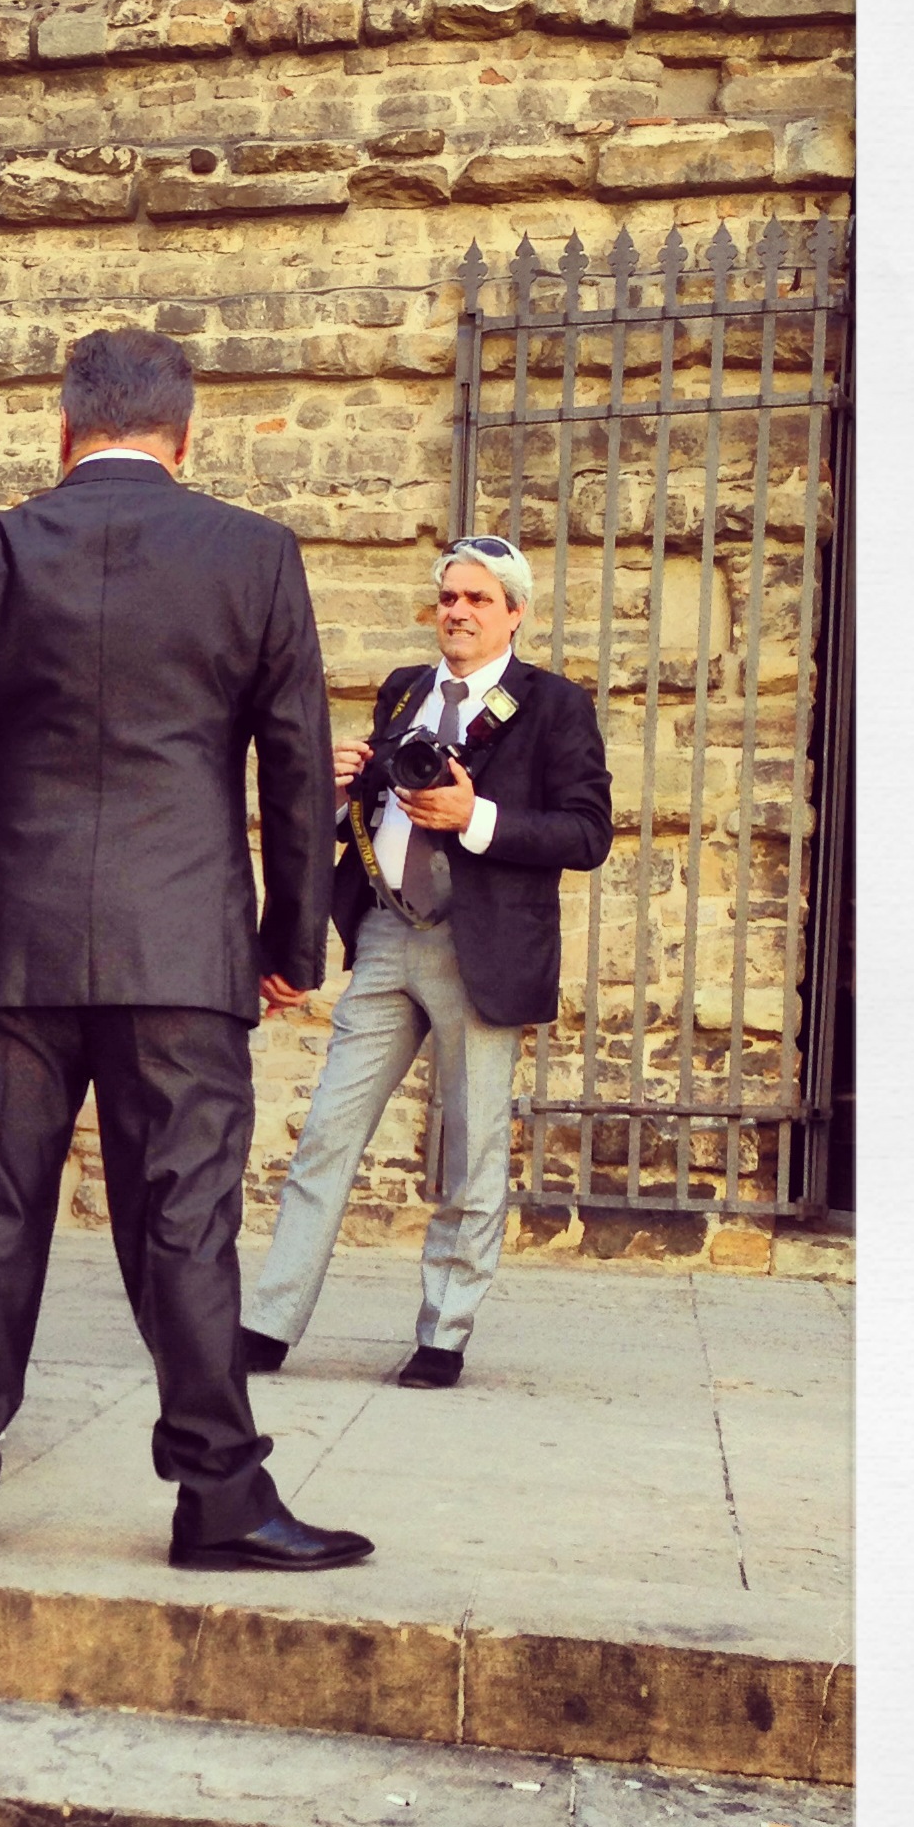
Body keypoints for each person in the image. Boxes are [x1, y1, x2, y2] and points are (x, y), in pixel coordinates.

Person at [0, 326, 374, 1574]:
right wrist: (290, 940)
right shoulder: (254, 555)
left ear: (62, 430)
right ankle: (219, 1500)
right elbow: (297, 763)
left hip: (16, 945)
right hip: (183, 948)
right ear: (185, 437)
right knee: (186, 1224)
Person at [238, 536, 614, 1391]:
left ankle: (443, 1336)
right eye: (449, 597)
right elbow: (374, 811)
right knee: (326, 1135)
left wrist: (476, 816)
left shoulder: (554, 705)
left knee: (473, 1153)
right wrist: (340, 793)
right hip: (384, 935)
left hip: (479, 950)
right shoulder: (406, 689)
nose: (459, 612)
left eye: (478, 599)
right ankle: (268, 1325)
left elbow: (588, 833)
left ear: (514, 614)